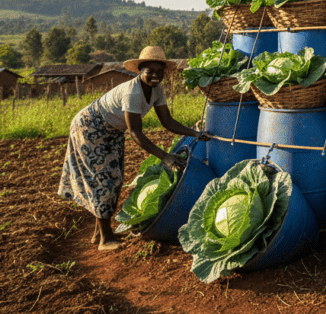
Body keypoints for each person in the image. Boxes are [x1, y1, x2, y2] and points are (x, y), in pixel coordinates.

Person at [57, 46, 212, 251]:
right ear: (140, 71)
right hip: (90, 127)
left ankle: (98, 233)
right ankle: (105, 239)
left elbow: (167, 121)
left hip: (112, 130)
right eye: (150, 71)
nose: (155, 75)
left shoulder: (157, 90)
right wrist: (165, 157)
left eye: (160, 72)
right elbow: (136, 133)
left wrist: (196, 134)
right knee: (103, 178)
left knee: (115, 176)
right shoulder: (133, 92)